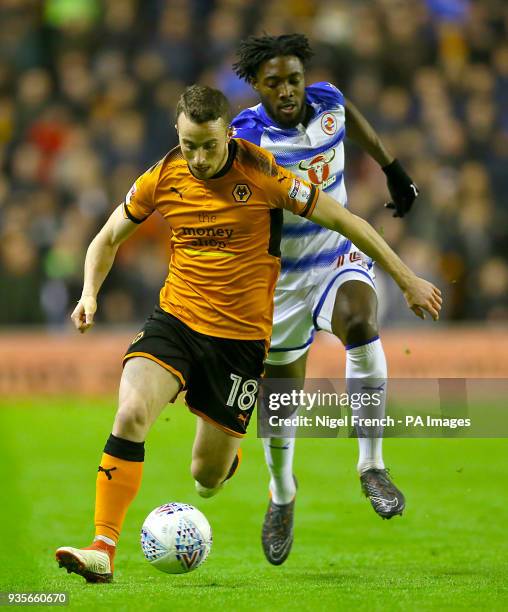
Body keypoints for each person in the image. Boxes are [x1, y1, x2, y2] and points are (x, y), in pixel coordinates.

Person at [55, 84, 441, 583]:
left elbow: (346, 220)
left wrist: (406, 278)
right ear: (178, 132)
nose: (197, 157)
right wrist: (89, 293)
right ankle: (103, 547)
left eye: (208, 146)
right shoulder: (163, 174)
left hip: (239, 345)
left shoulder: (260, 172)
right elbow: (106, 238)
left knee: (206, 478)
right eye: (188, 144)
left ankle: (232, 460)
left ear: (227, 136)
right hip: (175, 321)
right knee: (130, 414)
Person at [231, 33, 422, 565]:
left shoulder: (329, 102)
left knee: (361, 324)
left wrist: (392, 166)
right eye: (275, 83)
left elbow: (351, 118)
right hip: (281, 281)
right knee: (280, 403)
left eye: (294, 79)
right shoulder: (245, 136)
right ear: (257, 88)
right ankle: (282, 493)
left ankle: (371, 465)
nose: (288, 91)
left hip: (338, 257)